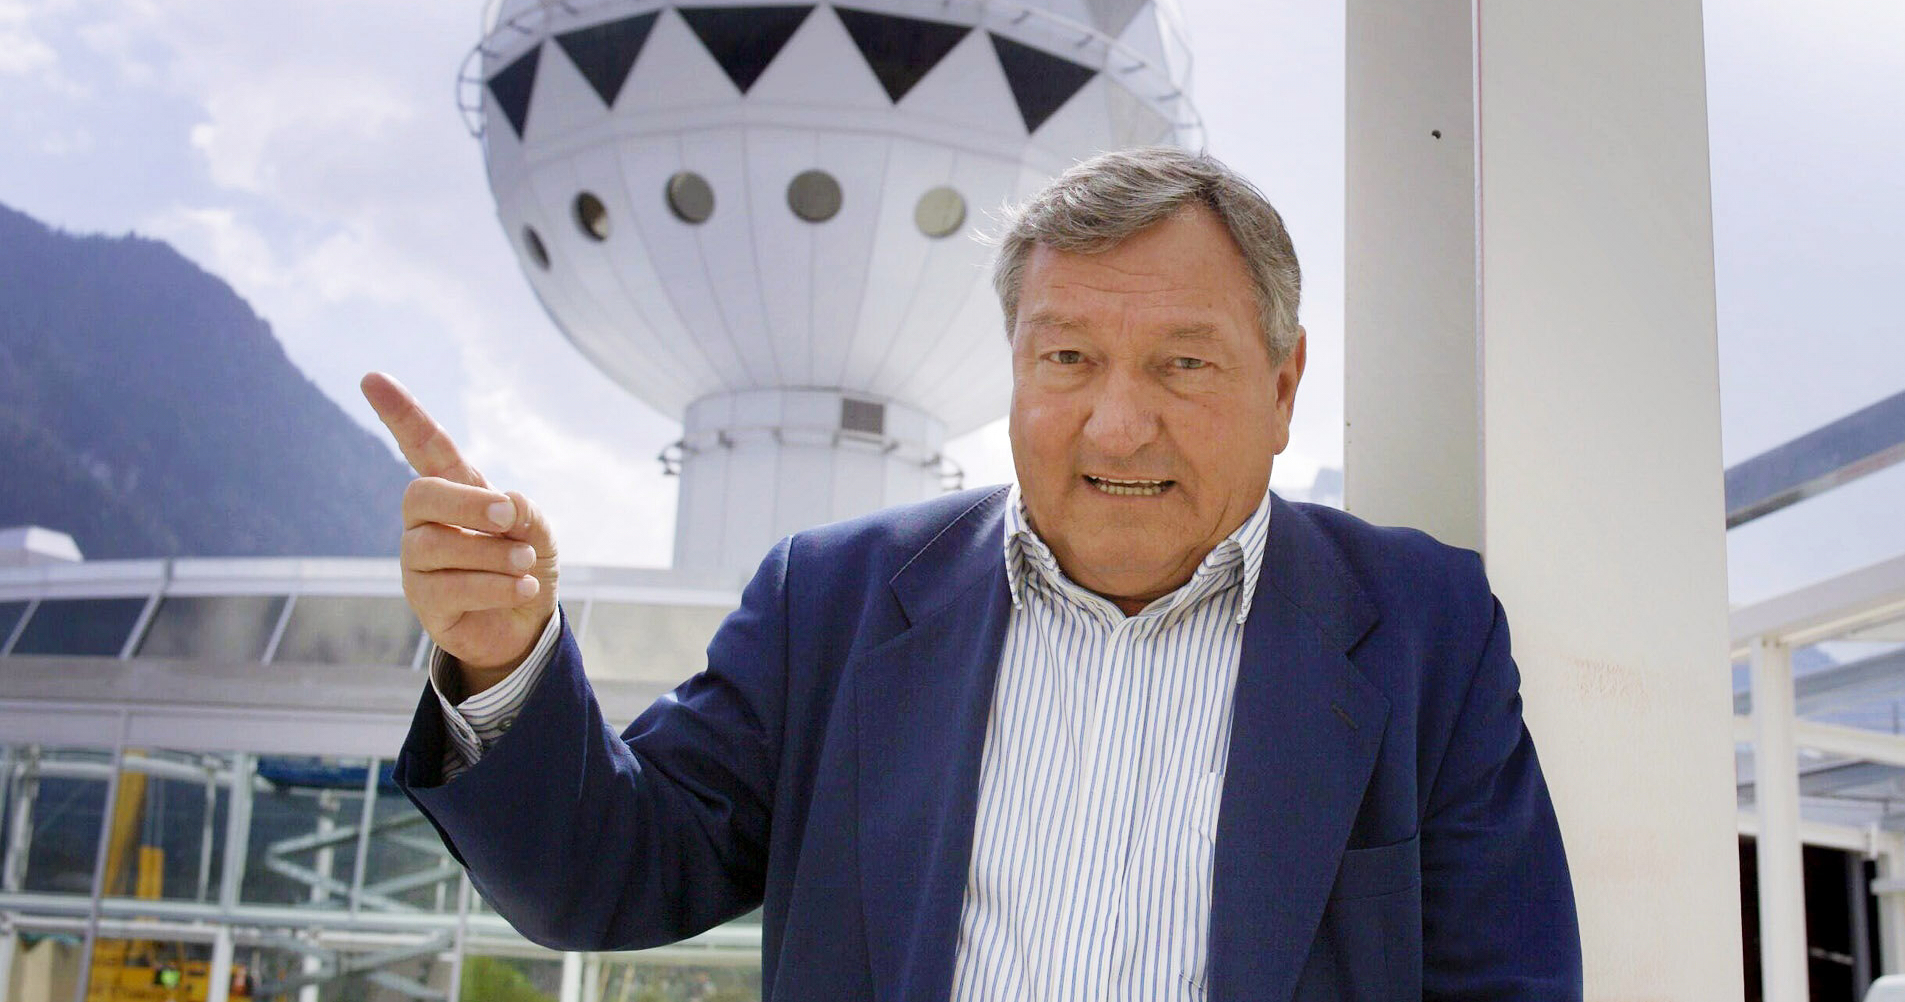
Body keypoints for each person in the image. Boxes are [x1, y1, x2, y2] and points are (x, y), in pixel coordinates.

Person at [368, 148, 1580, 1001]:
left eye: (1181, 365)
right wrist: (501, 653)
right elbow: (605, 880)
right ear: (1013, 368)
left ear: (1279, 386)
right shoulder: (831, 606)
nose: (1115, 424)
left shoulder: (1422, 629)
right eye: (1067, 357)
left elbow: (1503, 982)